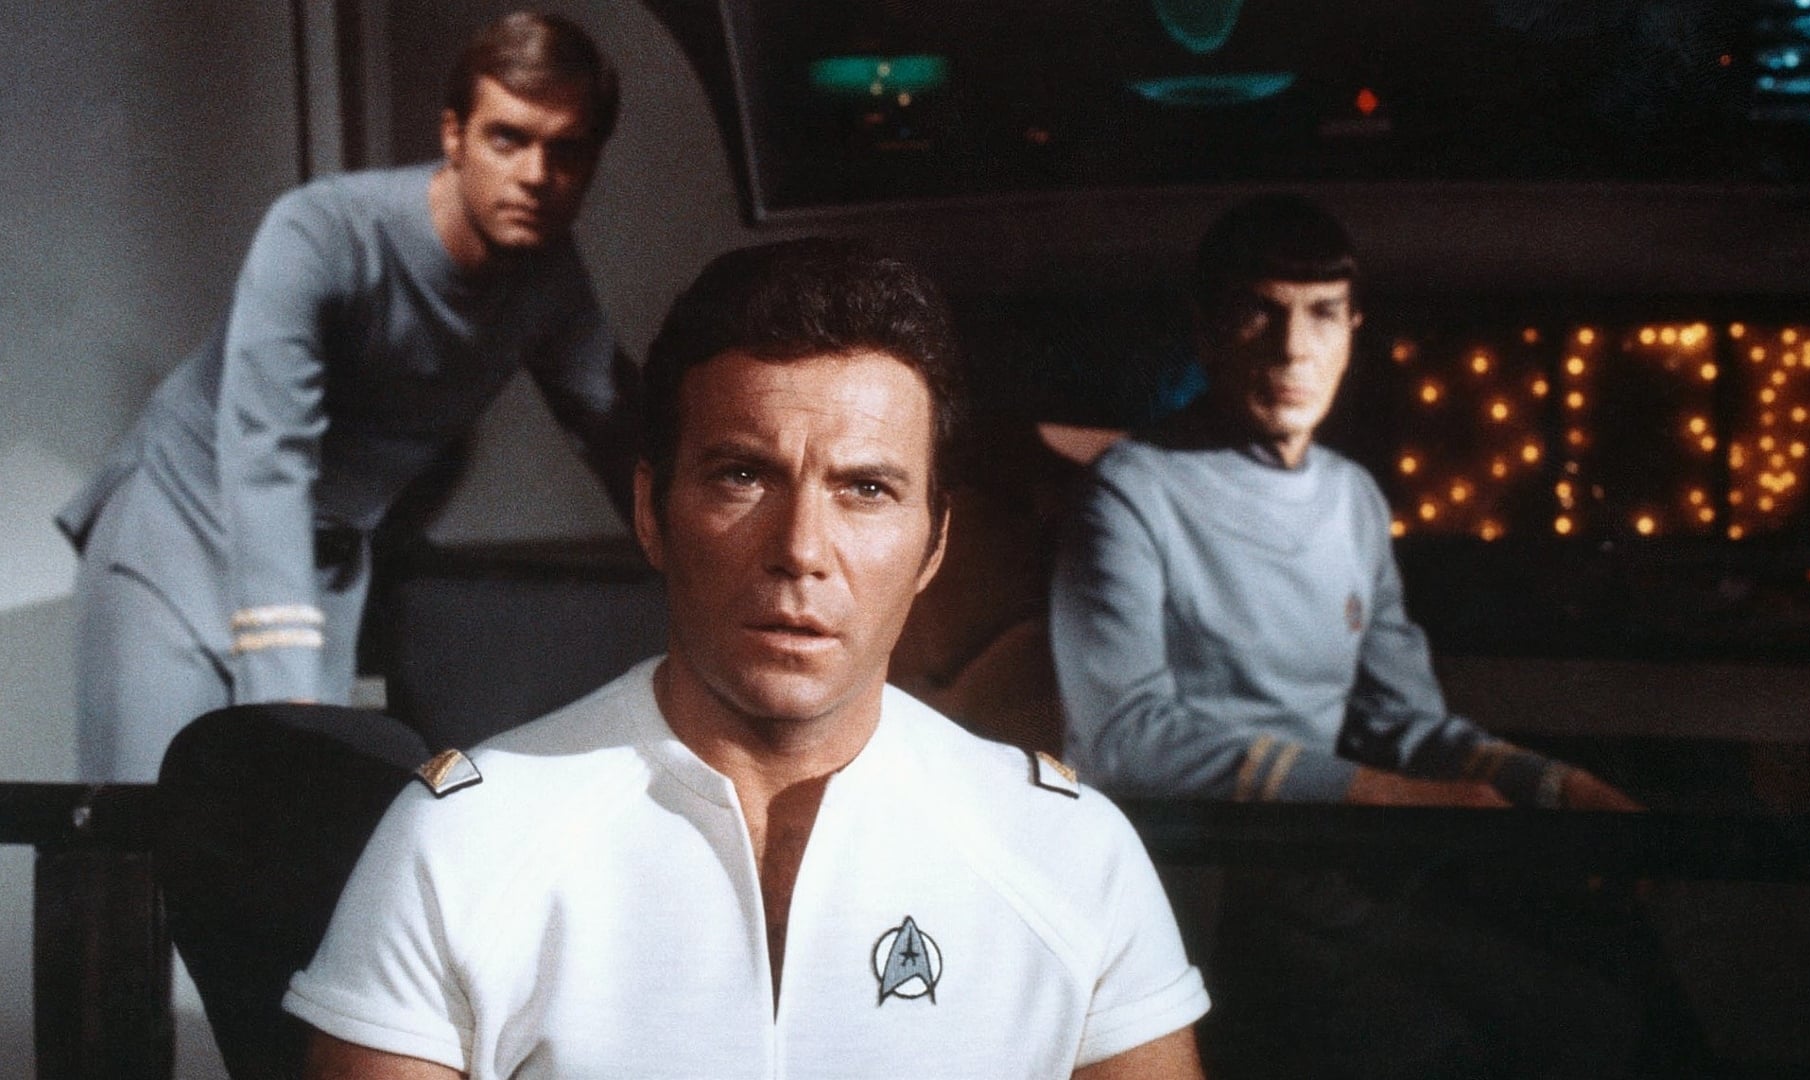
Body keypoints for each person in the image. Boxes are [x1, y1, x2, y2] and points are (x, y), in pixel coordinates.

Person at [283, 238, 1210, 1079]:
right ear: (652, 513)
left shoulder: (1070, 854)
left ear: (933, 545)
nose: (801, 549)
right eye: (743, 476)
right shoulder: (465, 845)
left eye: (866, 489)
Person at [1050, 195, 1650, 1077]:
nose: (1294, 349)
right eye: (1261, 313)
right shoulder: (1133, 490)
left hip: (1350, 869)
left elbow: (1401, 718)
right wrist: (1386, 796)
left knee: (1607, 1004)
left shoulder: (1353, 497)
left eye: (1323, 313)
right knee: (1476, 1047)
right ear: (1208, 331)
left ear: (1352, 329)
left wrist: (1553, 784)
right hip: (1214, 890)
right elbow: (1122, 740)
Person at [56, 11, 641, 781]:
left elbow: (623, 436)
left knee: (291, 827)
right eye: (508, 139)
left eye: (566, 150)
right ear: (455, 135)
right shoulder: (322, 232)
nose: (536, 174)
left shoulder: (550, 281)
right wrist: (289, 701)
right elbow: (268, 456)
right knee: (150, 817)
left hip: (317, 561)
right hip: (182, 534)